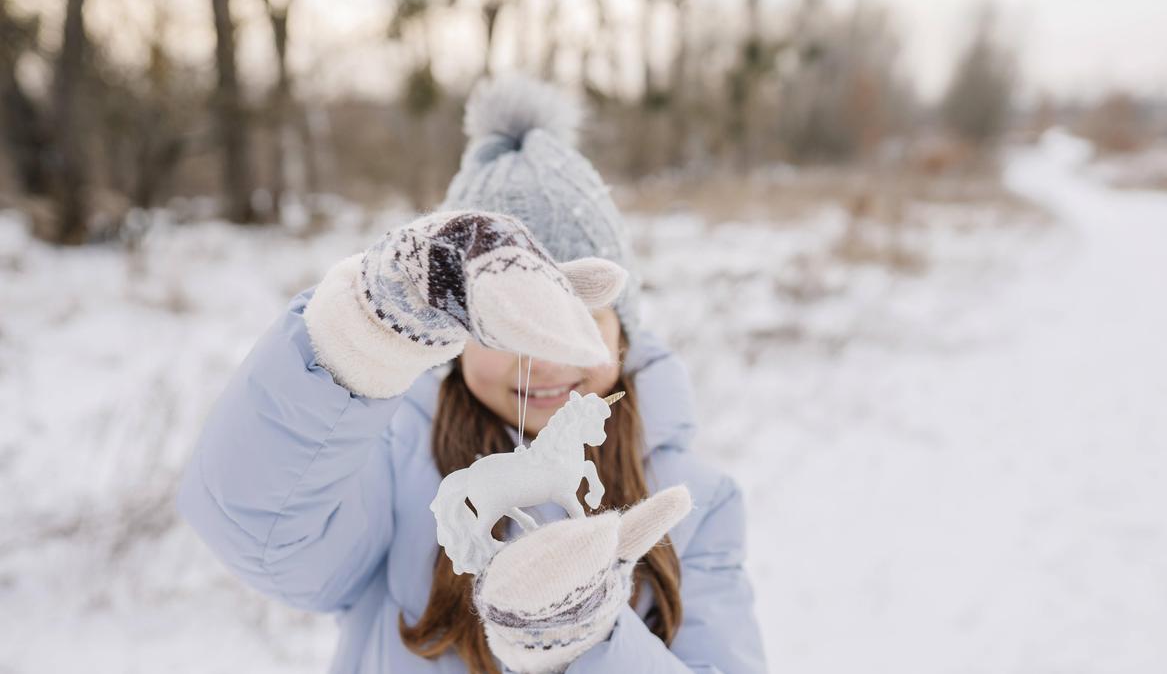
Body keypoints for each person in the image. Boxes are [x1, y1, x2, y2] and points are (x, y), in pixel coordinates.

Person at [176, 74, 766, 674]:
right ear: (454, 339)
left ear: (624, 330)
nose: (549, 363)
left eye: (580, 323)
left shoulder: (698, 505)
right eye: (507, 331)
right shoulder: (389, 466)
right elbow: (258, 528)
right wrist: (356, 338)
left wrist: (584, 642)